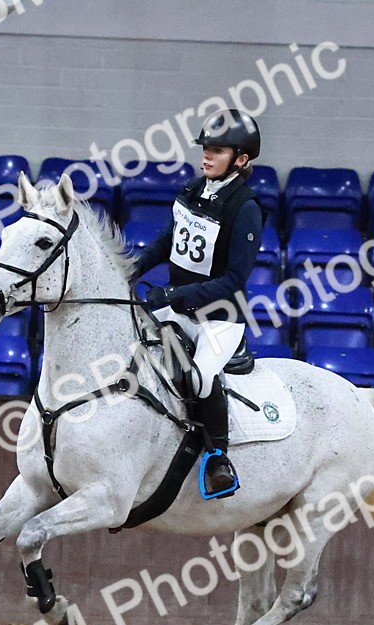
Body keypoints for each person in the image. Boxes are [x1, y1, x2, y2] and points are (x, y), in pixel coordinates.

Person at [133, 108, 264, 499]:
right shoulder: (193, 190)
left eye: (217, 150)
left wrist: (174, 295)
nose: (206, 156)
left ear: (240, 160)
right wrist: (130, 268)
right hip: (178, 310)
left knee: (200, 377)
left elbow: (234, 281)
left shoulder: (246, 209)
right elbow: (166, 241)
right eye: (205, 148)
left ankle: (218, 458)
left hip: (218, 319)